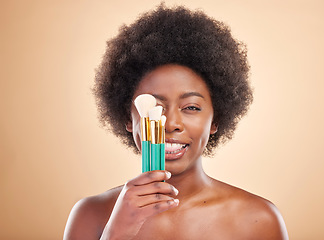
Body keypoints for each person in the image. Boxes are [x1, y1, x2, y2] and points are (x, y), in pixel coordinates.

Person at [64, 4, 288, 240]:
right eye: (155, 107)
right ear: (127, 118)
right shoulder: (91, 214)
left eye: (191, 107)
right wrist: (115, 234)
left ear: (215, 120)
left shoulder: (259, 220)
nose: (170, 123)